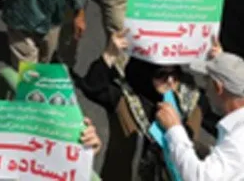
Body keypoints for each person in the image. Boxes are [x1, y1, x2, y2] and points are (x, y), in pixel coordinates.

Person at [81, 31, 202, 181]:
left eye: (175, 74)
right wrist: (110, 53)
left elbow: (224, 96)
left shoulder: (187, 98)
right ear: (145, 73)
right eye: (161, 74)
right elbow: (92, 87)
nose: (170, 81)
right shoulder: (126, 98)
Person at [156, 51, 244, 180]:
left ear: (218, 88)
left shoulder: (243, 134)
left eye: (207, 82)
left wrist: (174, 129)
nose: (205, 91)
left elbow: (199, 178)